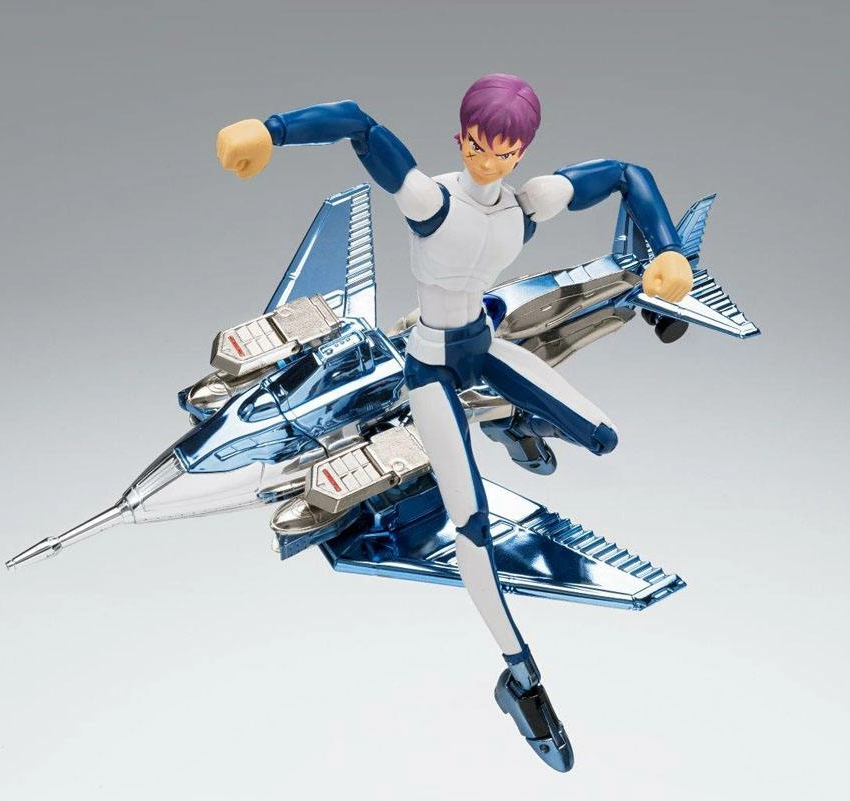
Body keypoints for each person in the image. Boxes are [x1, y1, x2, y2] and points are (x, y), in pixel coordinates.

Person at [216, 74, 693, 772]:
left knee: (601, 435)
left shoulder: (529, 204)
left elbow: (627, 174)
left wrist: (668, 248)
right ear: (461, 138)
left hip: (485, 346)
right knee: (471, 526)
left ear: (522, 152)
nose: (489, 162)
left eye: (505, 152)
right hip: (432, 366)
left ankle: (511, 422)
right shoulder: (431, 203)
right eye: (478, 146)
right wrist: (272, 130)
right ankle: (520, 676)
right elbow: (358, 125)